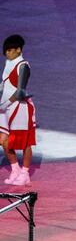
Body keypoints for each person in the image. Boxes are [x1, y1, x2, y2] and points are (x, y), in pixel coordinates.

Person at [0, 35, 37, 187]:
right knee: (3, 140)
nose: (7, 54)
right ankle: (15, 169)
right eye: (6, 51)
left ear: (18, 50)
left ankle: (25, 173)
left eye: (10, 50)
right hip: (5, 107)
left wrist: (5, 104)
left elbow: (21, 91)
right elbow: (4, 85)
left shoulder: (23, 66)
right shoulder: (8, 63)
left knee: (25, 142)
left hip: (20, 107)